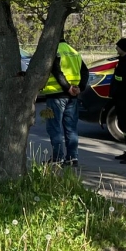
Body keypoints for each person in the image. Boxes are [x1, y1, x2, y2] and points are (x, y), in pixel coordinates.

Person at [40, 36, 89, 167]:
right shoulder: (73, 51)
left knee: (53, 127)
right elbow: (85, 71)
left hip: (55, 95)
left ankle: (57, 158)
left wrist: (67, 88)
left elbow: (56, 71)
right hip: (72, 97)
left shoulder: (54, 50)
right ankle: (72, 158)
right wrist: (80, 88)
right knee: (71, 129)